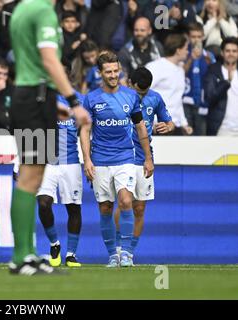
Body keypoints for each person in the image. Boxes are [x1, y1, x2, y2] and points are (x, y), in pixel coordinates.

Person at [8, 0, 90, 276]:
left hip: (32, 95)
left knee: (31, 177)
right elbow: (49, 59)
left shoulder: (21, 8)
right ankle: (21, 257)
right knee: (30, 177)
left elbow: (30, 61)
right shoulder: (43, 11)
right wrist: (73, 100)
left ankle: (25, 255)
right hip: (36, 97)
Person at [81, 51, 154, 268]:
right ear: (100, 73)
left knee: (125, 202)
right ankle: (112, 254)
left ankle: (128, 254)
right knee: (105, 208)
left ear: (120, 69)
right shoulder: (91, 98)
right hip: (100, 160)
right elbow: (85, 130)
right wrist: (87, 160)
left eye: (116, 70)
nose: (113, 75)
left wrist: (148, 158)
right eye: (108, 71)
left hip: (125, 159)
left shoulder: (130, 96)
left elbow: (140, 127)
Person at [113, 67, 174, 265]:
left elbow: (169, 121)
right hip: (122, 157)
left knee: (139, 209)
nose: (141, 96)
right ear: (129, 83)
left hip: (144, 158)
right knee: (124, 203)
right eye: (138, 93)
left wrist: (167, 126)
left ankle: (129, 252)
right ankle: (118, 248)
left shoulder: (155, 98)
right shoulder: (117, 96)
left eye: (144, 93)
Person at [36, 90, 87, 268]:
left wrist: (88, 160)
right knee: (43, 203)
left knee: (73, 208)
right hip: (46, 161)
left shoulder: (80, 99)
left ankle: (71, 254)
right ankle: (54, 243)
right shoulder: (40, 96)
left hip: (71, 162)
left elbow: (85, 131)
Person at [146, 33, 193, 135]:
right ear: (178, 50)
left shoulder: (180, 70)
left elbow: (178, 99)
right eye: (185, 48)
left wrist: (184, 124)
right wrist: (151, 121)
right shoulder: (155, 67)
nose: (187, 51)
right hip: (158, 126)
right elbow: (142, 94)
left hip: (176, 126)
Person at [183, 22, 216, 135]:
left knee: (201, 136)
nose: (196, 40)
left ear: (203, 37)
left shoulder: (209, 56)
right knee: (187, 136)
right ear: (188, 37)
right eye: (193, 37)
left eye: (198, 37)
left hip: (202, 102)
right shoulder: (183, 53)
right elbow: (179, 74)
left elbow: (214, 77)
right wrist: (191, 59)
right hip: (186, 101)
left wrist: (209, 65)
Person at [204, 36, 238, 135]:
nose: (231, 54)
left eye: (234, 51)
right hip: (221, 128)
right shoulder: (213, 71)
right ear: (222, 53)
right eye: (228, 51)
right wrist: (226, 82)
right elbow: (209, 97)